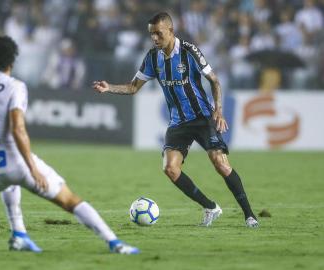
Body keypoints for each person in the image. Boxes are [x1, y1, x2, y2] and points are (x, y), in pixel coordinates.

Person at [0, 36, 140, 254]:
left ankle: (19, 235)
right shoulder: (15, 86)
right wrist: (33, 170)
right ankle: (115, 244)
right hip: (14, 164)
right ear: (11, 62)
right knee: (70, 200)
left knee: (9, 183)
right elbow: (18, 129)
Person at [93, 12, 259, 228]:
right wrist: (110, 88)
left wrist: (218, 110)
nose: (154, 38)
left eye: (158, 34)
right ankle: (210, 207)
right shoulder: (153, 57)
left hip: (202, 117)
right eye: (151, 34)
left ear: (170, 31)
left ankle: (249, 215)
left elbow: (215, 81)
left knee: (220, 163)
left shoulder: (189, 51)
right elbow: (133, 87)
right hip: (178, 122)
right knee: (170, 168)